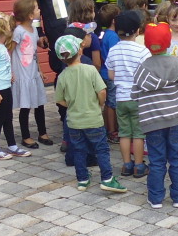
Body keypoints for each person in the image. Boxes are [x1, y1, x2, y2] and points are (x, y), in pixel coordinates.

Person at [54, 34, 128, 194]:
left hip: (74, 121)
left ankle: (82, 179)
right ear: (80, 50)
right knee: (101, 149)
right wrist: (99, 104)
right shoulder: (90, 70)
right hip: (93, 119)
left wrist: (73, 105)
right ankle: (107, 179)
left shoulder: (62, 76)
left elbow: (60, 100)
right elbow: (102, 91)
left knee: (79, 150)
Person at [133, 23, 178, 209]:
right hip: (176, 120)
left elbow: (134, 95)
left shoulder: (142, 68)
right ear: (168, 43)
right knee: (177, 159)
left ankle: (156, 198)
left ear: (146, 44)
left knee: (157, 160)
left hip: (152, 122)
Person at [104, 10, 150, 177]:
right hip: (138, 97)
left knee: (124, 132)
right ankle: (139, 165)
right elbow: (147, 73)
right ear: (138, 31)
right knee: (138, 133)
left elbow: (110, 74)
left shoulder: (114, 50)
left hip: (121, 99)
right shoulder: (142, 51)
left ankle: (126, 165)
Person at [0, 11, 32, 160]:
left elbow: (1, 67)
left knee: (8, 117)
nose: (11, 28)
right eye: (8, 26)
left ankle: (12, 145)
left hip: (5, 87)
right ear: (1, 29)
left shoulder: (0, 46)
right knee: (0, 119)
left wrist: (9, 74)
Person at [11, 0, 52, 148]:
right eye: (36, 8)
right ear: (30, 15)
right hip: (22, 74)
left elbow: (34, 53)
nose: (39, 10)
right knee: (25, 106)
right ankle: (26, 136)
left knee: (39, 103)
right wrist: (10, 71)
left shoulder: (34, 30)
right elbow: (9, 51)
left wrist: (40, 70)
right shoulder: (19, 31)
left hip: (33, 73)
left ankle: (42, 132)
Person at [97, 3, 121, 143]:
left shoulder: (105, 34)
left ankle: (107, 127)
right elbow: (114, 57)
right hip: (111, 74)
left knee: (108, 103)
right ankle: (112, 131)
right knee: (112, 104)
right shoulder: (113, 37)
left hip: (104, 73)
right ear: (113, 20)